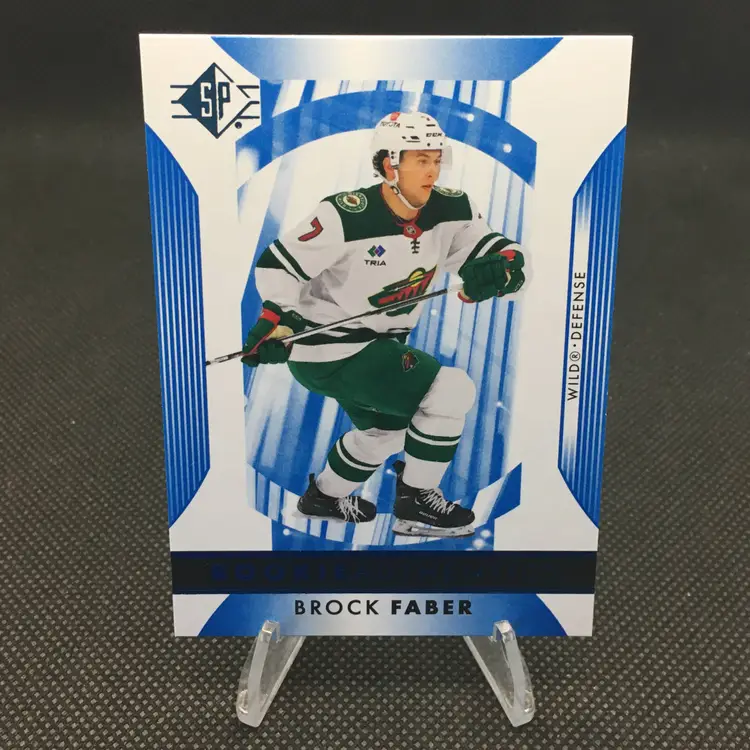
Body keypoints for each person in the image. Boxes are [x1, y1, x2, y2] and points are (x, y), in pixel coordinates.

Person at [242, 111, 525, 538]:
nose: (433, 171)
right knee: (451, 391)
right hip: (329, 348)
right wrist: (279, 319)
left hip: (379, 349)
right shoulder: (345, 214)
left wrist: (503, 267)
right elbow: (278, 265)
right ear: (389, 164)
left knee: (386, 431)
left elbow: (496, 252)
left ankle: (323, 498)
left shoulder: (452, 208)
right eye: (421, 160)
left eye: (437, 159)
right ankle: (416, 503)